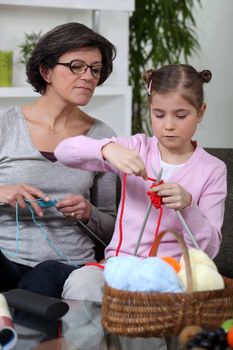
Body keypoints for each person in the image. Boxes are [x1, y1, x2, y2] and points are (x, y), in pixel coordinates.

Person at [54, 64, 227, 303]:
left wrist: (188, 207)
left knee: (146, 300)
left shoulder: (213, 170)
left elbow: (209, 250)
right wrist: (107, 149)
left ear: (201, 112)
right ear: (150, 111)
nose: (168, 125)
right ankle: (86, 343)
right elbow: (63, 151)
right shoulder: (136, 148)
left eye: (180, 115)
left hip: (171, 275)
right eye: (159, 114)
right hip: (119, 267)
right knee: (81, 283)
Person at [0, 22, 117, 297]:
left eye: (95, 69)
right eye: (77, 66)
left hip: (67, 264)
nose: (88, 76)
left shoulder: (103, 139)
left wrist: (89, 213)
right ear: (46, 71)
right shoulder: (5, 124)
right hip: (5, 259)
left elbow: (113, 229)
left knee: (45, 275)